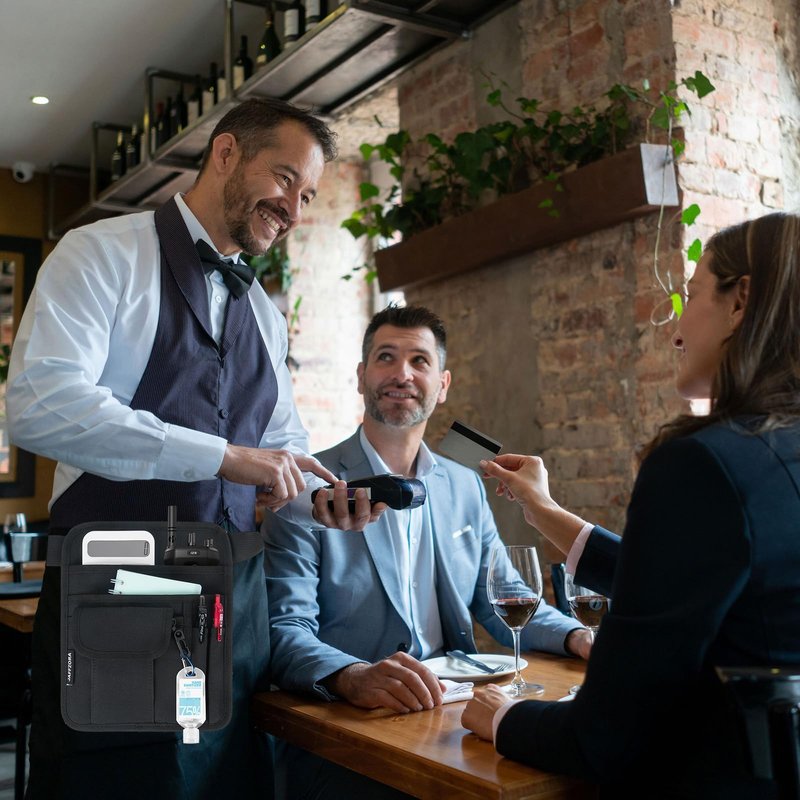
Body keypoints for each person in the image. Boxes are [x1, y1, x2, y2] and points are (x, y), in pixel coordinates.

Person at [6, 97, 383, 800]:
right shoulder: (101, 253)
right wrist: (221, 456)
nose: (294, 210)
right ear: (226, 152)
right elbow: (39, 405)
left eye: (307, 196)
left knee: (230, 785)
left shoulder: (264, 315)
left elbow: (280, 445)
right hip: (119, 592)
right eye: (285, 179)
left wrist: (317, 497)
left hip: (237, 604)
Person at [461, 212, 800, 799]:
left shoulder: (702, 464)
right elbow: (703, 581)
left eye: (692, 294)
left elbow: (606, 737)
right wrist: (545, 512)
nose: (676, 331)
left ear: (740, 301)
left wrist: (502, 717)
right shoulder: (775, 455)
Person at [263, 303, 593, 799]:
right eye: (386, 357)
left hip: (455, 715)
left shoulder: (464, 485)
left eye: (419, 360)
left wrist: (577, 637)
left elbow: (506, 600)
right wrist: (352, 677)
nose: (402, 373)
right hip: (350, 732)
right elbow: (285, 631)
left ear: (442, 385)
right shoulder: (307, 489)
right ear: (361, 376)